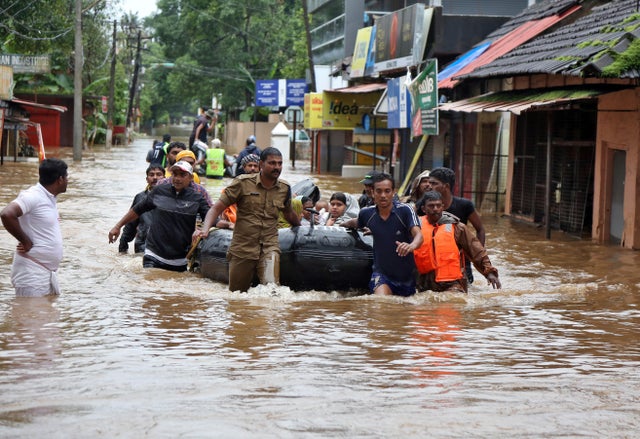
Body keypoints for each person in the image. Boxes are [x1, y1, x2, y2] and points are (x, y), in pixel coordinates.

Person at [195, 147, 301, 292]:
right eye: (272, 163)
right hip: (243, 247)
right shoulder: (242, 183)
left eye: (279, 163)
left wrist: (302, 228)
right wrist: (205, 229)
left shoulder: (284, 188)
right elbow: (216, 208)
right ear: (261, 164)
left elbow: (289, 213)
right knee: (238, 295)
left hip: (269, 246)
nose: (277, 167)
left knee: (272, 290)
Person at [108, 161, 210, 272]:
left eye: (182, 175)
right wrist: (117, 226)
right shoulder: (159, 191)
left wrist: (204, 229)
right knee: (150, 285)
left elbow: (211, 217)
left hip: (179, 260)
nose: (177, 178)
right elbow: (137, 210)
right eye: (175, 174)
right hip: (153, 255)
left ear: (191, 177)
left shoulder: (197, 198)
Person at [341, 172, 423, 297]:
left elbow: (419, 236)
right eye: (379, 191)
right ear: (372, 192)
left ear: (393, 192)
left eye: (387, 191)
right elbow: (355, 222)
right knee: (382, 304)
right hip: (381, 275)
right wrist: (338, 225)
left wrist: (411, 246)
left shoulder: (405, 210)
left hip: (406, 277)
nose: (383, 195)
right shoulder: (366, 213)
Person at [1, 158, 68, 296]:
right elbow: (7, 214)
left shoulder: (49, 197)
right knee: (30, 316)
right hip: (31, 272)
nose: (68, 181)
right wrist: (25, 241)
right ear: (60, 179)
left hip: (46, 272)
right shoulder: (33, 196)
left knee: (46, 316)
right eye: (67, 177)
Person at [414, 191, 501, 293]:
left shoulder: (457, 228)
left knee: (452, 302)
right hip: (423, 283)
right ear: (424, 209)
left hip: (452, 284)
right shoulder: (415, 227)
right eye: (431, 206)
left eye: (438, 205)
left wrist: (489, 272)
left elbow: (476, 250)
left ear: (443, 207)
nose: (435, 209)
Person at [426, 167, 486, 284]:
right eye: (429, 183)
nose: (429, 186)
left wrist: (477, 255)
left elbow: (480, 229)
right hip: (435, 262)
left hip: (461, 262)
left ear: (446, 186)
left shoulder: (464, 205)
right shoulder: (425, 206)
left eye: (434, 183)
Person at [118, 165, 165, 254]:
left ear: (165, 178)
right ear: (147, 179)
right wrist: (122, 248)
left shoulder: (171, 197)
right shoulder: (140, 197)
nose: (155, 178)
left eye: (159, 174)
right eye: (151, 175)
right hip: (142, 246)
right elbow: (131, 224)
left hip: (163, 247)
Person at [215, 154, 260, 230]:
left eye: (255, 166)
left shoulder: (264, 186)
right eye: (250, 165)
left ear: (259, 168)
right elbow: (221, 209)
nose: (253, 168)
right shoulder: (235, 186)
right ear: (244, 167)